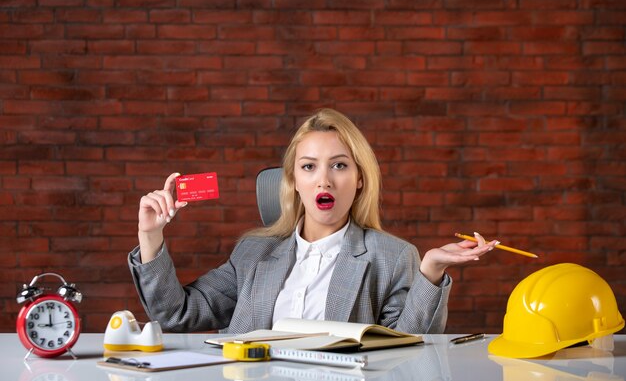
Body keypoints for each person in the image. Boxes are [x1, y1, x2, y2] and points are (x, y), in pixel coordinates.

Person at [129, 108, 497, 334]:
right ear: (294, 182)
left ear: (359, 179)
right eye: (309, 167)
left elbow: (411, 349)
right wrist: (151, 235)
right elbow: (176, 314)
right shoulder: (254, 252)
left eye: (339, 165)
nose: (324, 180)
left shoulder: (392, 256)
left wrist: (430, 270)